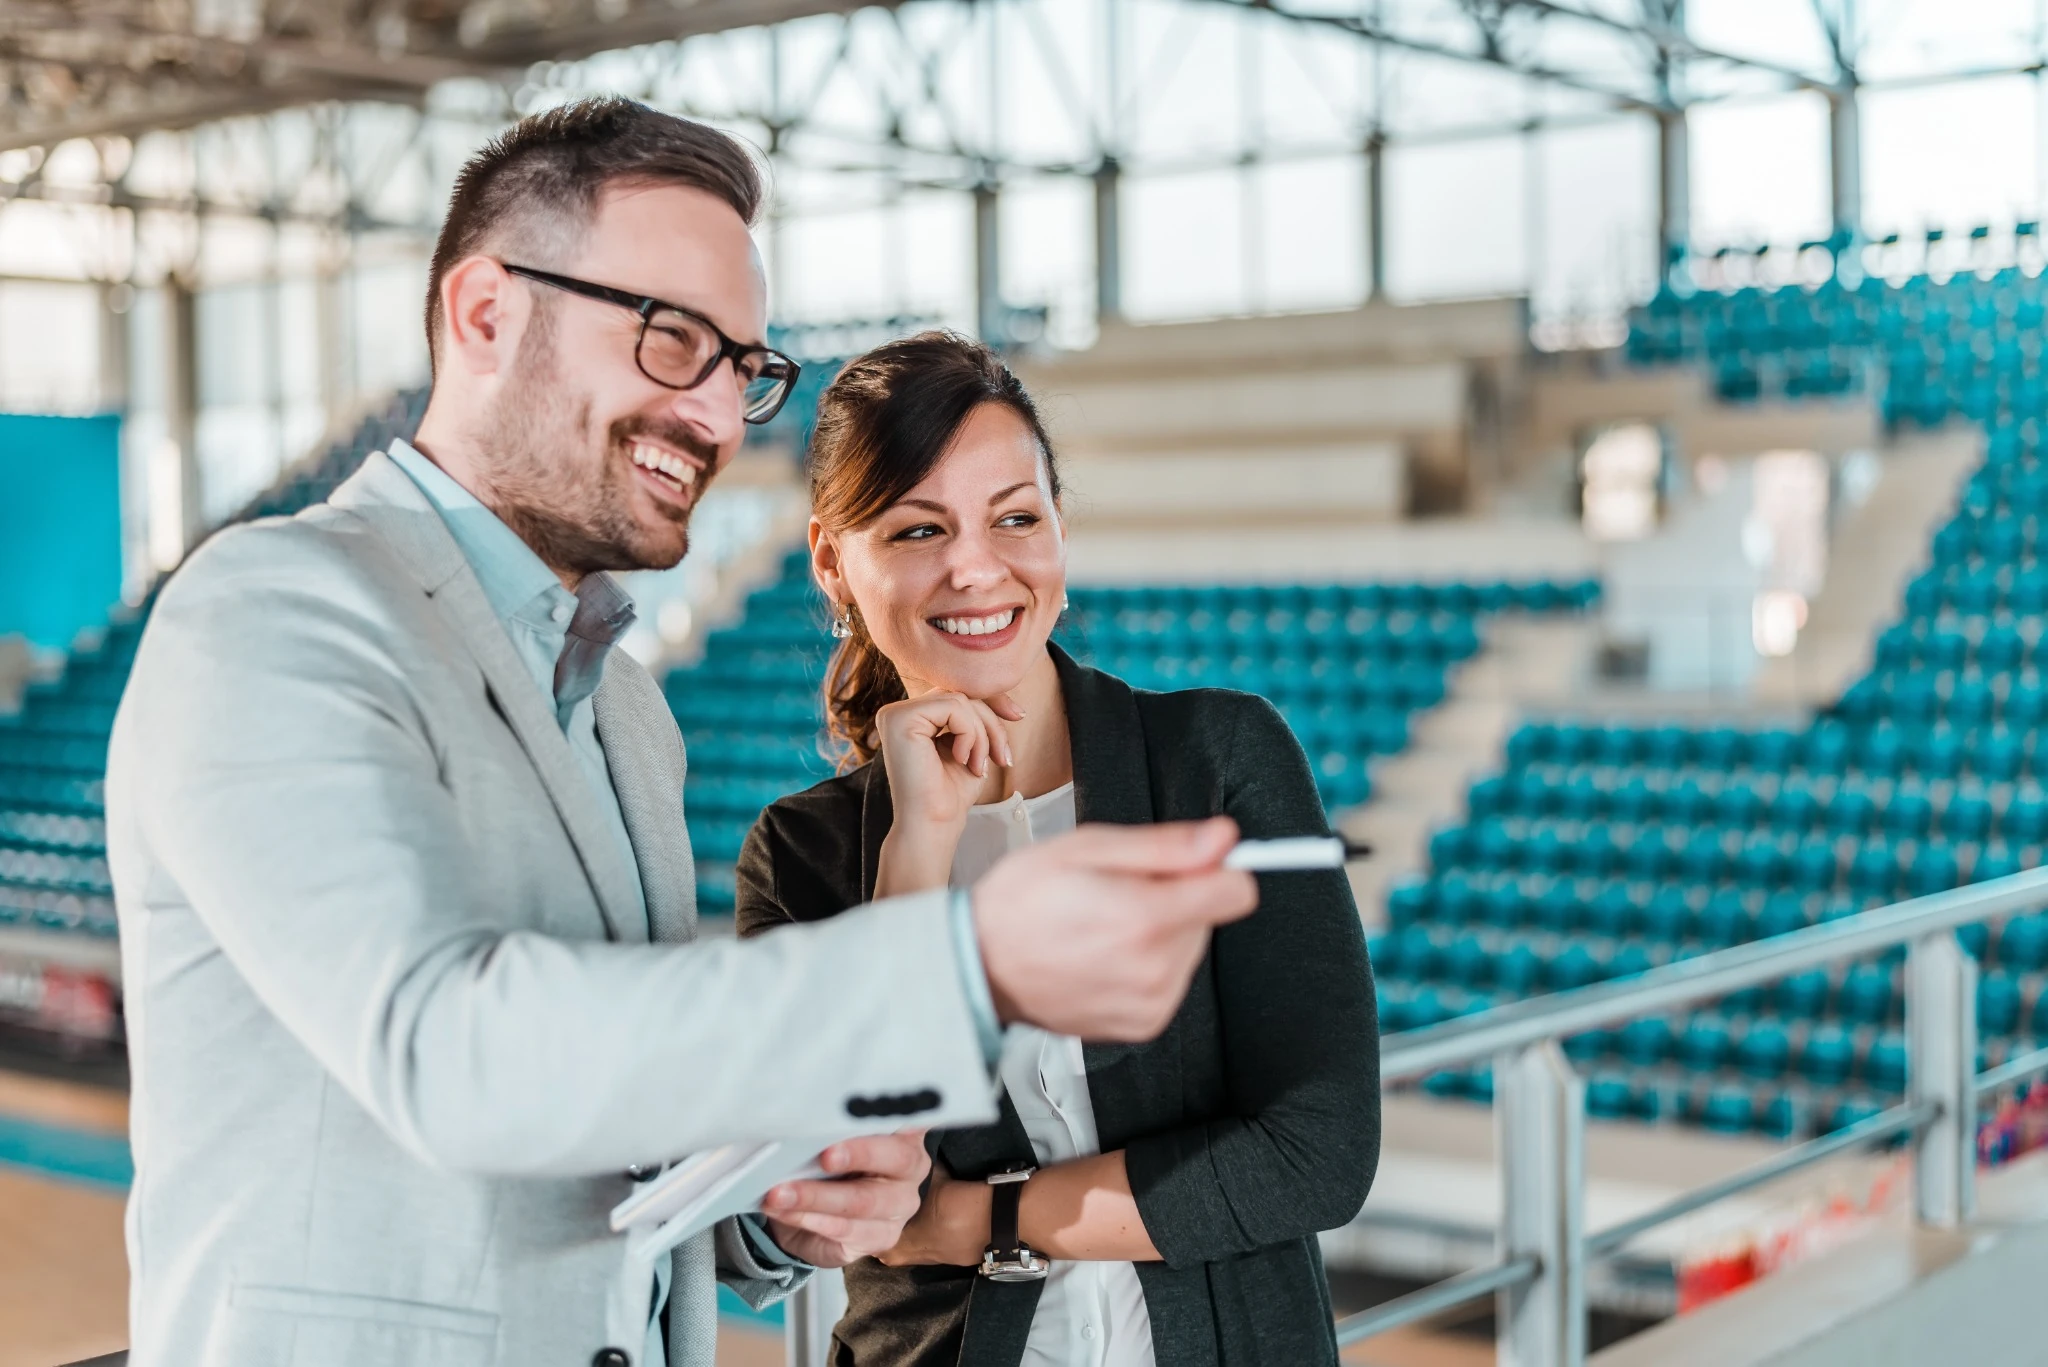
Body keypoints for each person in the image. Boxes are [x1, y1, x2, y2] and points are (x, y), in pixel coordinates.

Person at [104, 99, 1259, 1367]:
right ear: (484, 314)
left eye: (743, 368)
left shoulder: (630, 712)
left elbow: (611, 1159)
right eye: (672, 341)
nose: (717, 416)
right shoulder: (275, 607)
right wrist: (956, 964)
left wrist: (780, 1212)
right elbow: (447, 1050)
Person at [735, 332, 1382, 1367]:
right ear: (830, 562)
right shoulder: (803, 852)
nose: (975, 567)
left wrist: (974, 1219)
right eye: (916, 528)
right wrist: (920, 846)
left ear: (1059, 535)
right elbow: (852, 1188)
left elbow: (1315, 1153)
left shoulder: (1216, 760)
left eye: (1014, 518)